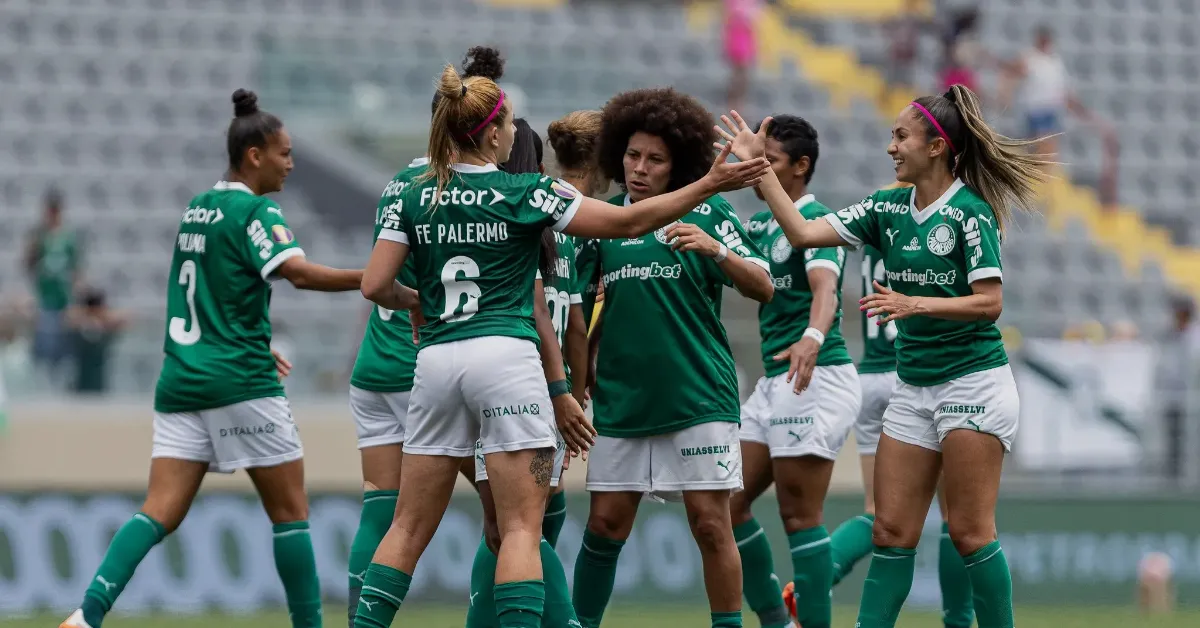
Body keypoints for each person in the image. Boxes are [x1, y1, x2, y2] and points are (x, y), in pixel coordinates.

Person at [354, 68, 769, 628]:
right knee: (522, 529)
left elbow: (375, 285)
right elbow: (625, 223)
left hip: (435, 358)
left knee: (405, 527)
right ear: (495, 134)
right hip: (506, 360)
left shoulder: (408, 189)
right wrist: (710, 183)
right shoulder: (528, 191)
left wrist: (419, 302)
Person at [717, 83, 1049, 628]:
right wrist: (759, 169)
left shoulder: (969, 213)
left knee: (969, 533)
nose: (890, 147)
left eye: (900, 137)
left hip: (973, 385)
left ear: (936, 146)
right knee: (890, 531)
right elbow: (801, 232)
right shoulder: (886, 206)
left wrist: (913, 302)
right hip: (912, 389)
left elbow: (990, 303)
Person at [60, 89, 368, 628]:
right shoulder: (255, 210)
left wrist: (247, 334)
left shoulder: (197, 206)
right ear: (254, 155)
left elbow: (206, 290)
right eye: (284, 153)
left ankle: (84, 617)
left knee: (158, 509)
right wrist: (372, 279)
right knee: (291, 513)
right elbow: (295, 272)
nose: (291, 164)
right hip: (240, 383)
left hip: (182, 379)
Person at [571, 88, 774, 628]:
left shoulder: (708, 211)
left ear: (677, 164)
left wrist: (718, 249)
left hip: (698, 397)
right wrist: (581, 367)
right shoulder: (603, 220)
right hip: (623, 400)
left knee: (711, 525)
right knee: (605, 525)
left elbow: (765, 285)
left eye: (655, 159)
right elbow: (578, 304)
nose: (639, 169)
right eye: (632, 155)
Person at [344, 45, 505, 625]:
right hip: (434, 366)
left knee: (383, 511)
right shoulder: (481, 189)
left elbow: (377, 279)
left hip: (374, 369)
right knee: (512, 518)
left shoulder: (399, 184)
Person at [819, 184, 976, 628]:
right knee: (956, 519)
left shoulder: (876, 211)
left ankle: (818, 577)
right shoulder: (926, 210)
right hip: (915, 373)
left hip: (868, 374)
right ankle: (959, 621)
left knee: (877, 513)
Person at [731, 115, 858, 628]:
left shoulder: (816, 219)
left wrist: (812, 335)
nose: (760, 172)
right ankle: (778, 622)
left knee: (799, 516)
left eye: (771, 164)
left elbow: (826, 290)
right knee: (726, 503)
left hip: (815, 373)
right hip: (774, 380)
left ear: (801, 167)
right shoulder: (762, 224)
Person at [463, 114, 590, 628]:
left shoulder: (501, 235)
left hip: (505, 395)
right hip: (545, 403)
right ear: (535, 169)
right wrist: (574, 399)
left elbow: (550, 320)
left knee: (510, 530)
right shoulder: (558, 241)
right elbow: (575, 330)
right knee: (525, 528)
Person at [25, 188, 81, 385]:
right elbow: (29, 265)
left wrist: (75, 300)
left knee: (63, 346)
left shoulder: (68, 238)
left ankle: (62, 384)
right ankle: (42, 384)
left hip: (63, 300)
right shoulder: (40, 237)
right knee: (45, 343)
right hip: (45, 299)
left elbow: (76, 270)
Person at [65, 288, 130, 395]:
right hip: (80, 380)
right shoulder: (79, 323)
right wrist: (87, 315)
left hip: (101, 379)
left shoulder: (106, 325)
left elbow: (124, 319)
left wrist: (101, 317)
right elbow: (68, 319)